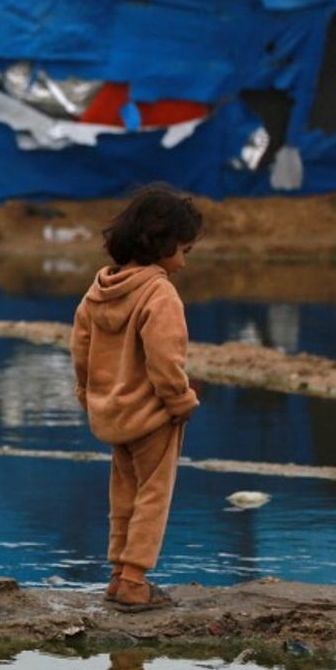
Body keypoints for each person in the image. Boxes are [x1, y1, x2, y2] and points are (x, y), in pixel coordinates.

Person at [70, 184, 202, 612]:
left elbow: (81, 352)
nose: (182, 262)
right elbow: (166, 362)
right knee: (152, 497)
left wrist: (86, 394)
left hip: (110, 414)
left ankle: (115, 575)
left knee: (122, 494)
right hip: (151, 416)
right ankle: (133, 581)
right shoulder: (158, 294)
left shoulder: (98, 291)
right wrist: (180, 401)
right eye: (183, 250)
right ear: (161, 246)